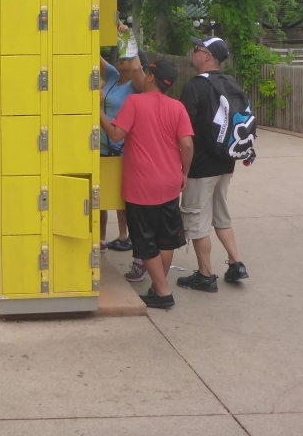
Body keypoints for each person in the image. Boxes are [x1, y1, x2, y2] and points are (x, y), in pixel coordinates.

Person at [100, 59, 194, 309]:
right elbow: (186, 144)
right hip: (170, 182)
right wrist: (184, 172)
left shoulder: (135, 102)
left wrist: (95, 110)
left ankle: (163, 292)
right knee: (166, 238)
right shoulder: (177, 107)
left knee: (145, 240)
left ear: (150, 77)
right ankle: (157, 286)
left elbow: (116, 134)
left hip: (142, 184)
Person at [177, 37, 250, 293]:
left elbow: (184, 132)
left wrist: (182, 168)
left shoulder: (195, 87)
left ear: (207, 56)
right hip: (225, 163)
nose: (193, 52)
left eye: (197, 49)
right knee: (221, 213)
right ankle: (236, 263)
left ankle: (205, 275)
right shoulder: (231, 84)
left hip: (199, 166)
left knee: (197, 220)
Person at [98, 29, 145, 260]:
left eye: (125, 58)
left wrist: (128, 37)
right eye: (119, 58)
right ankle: (101, 239)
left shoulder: (137, 86)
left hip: (121, 148)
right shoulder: (115, 76)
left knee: (121, 196)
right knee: (101, 194)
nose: (120, 61)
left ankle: (125, 236)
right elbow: (92, 57)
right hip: (101, 146)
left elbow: (136, 69)